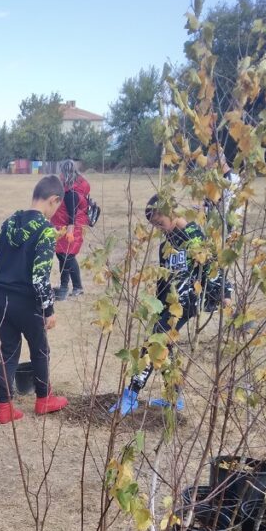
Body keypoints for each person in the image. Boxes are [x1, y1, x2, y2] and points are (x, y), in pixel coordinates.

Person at [109, 194, 232, 416]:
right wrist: (157, 302)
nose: (158, 228)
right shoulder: (167, 240)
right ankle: (174, 398)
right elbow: (164, 276)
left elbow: (211, 264)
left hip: (185, 302)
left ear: (171, 212)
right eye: (154, 225)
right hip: (167, 303)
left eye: (159, 222)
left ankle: (131, 394)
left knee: (155, 341)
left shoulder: (192, 235)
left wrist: (224, 293)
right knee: (166, 346)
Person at [0, 175, 69, 423]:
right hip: (28, 303)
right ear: (53, 200)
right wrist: (49, 309)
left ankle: (5, 407)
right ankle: (43, 400)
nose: (55, 213)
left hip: (2, 301)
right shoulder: (45, 231)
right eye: (57, 207)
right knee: (40, 350)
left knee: (8, 352)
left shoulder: (10, 223)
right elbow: (40, 277)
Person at [51, 159, 91, 300]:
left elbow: (72, 215)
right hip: (64, 227)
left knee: (67, 257)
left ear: (65, 172)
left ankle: (73, 287)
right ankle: (68, 287)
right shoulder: (69, 188)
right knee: (63, 256)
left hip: (70, 229)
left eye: (61, 172)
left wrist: (69, 231)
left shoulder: (70, 192)